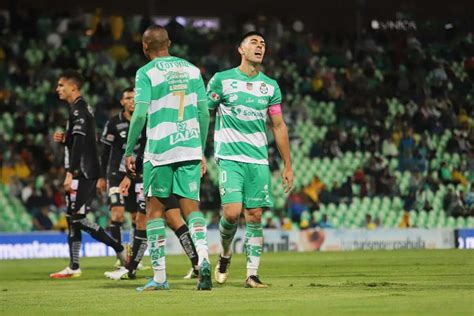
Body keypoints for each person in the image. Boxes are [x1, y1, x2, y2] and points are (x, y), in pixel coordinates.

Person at [124, 25, 211, 291]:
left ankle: (160, 277)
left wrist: (129, 150)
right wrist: (201, 149)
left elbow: (139, 115)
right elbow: (204, 113)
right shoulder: (192, 70)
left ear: (144, 46)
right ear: (169, 43)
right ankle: (204, 259)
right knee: (191, 210)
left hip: (160, 149)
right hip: (189, 147)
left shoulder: (145, 73)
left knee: (154, 212)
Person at [206, 31, 293, 288]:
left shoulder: (270, 86)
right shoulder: (222, 80)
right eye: (254, 42)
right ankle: (224, 254)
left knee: (254, 215)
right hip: (230, 157)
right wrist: (197, 150)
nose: (260, 46)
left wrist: (288, 164)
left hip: (258, 160)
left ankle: (252, 275)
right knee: (232, 214)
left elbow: (278, 126)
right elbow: (204, 115)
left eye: (263, 43)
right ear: (240, 49)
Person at [99, 88, 200, 280]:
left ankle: (132, 270)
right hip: (169, 169)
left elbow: (145, 148)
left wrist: (130, 175)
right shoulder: (160, 116)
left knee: (145, 220)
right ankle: (197, 263)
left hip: (154, 173)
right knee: (172, 219)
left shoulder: (147, 119)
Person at [50, 70, 127, 279]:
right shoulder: (78, 109)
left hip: (83, 173)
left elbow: (82, 144)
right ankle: (74, 266)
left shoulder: (79, 110)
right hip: (82, 172)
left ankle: (119, 247)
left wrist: (70, 173)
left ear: (73, 87)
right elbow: (78, 141)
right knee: (72, 217)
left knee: (77, 218)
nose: (57, 89)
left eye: (61, 85)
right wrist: (66, 138)